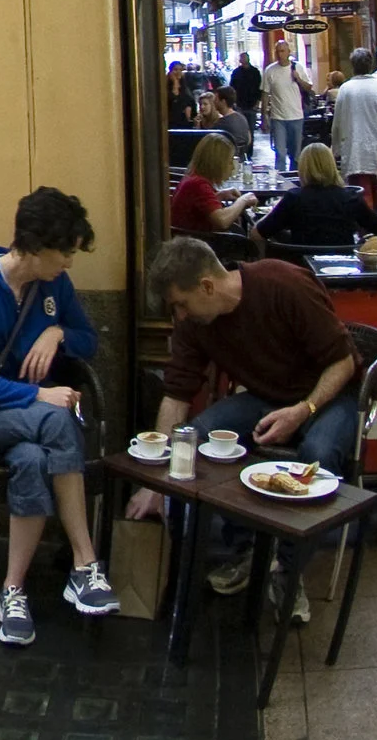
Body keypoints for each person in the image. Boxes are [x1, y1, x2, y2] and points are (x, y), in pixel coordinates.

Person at [129, 237, 361, 623]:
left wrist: (303, 411)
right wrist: (156, 480)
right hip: (267, 397)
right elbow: (177, 393)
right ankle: (247, 549)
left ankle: (288, 570)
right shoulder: (195, 324)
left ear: (206, 286)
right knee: (200, 435)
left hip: (326, 396)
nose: (180, 316)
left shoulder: (284, 285)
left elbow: (343, 363)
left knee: (318, 454)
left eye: (181, 304)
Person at [0, 187, 118, 646]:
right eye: (65, 251)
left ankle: (12, 590)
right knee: (59, 420)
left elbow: (90, 339)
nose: (70, 262)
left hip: (18, 427)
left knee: (31, 460)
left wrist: (57, 332)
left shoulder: (53, 284)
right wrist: (38, 395)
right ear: (36, 246)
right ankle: (85, 562)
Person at [258, 143, 377, 249]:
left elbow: (257, 234)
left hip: (302, 266)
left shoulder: (294, 198)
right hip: (344, 267)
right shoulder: (350, 198)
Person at [329, 47, 377, 209]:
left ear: (353, 65)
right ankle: (374, 228)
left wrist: (335, 149)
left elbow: (338, 123)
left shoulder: (346, 89)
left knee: (362, 198)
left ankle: (367, 230)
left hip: (355, 151)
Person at [170, 133, 254, 233]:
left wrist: (219, 195)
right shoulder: (198, 185)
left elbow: (201, 208)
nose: (232, 167)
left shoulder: (193, 179)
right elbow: (222, 221)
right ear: (217, 163)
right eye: (230, 162)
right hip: (195, 243)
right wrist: (243, 200)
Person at [259, 39, 311, 173]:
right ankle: (280, 179)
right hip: (278, 118)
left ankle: (294, 179)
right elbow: (265, 94)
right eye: (277, 51)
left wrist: (298, 78)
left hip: (296, 116)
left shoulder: (297, 67)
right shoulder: (270, 70)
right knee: (280, 153)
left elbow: (309, 87)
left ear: (288, 52)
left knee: (296, 154)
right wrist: (264, 117)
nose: (279, 54)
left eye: (282, 51)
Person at [205, 86, 253, 162]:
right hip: (241, 159)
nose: (214, 102)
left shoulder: (221, 123)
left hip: (225, 162)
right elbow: (249, 139)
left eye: (216, 99)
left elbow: (206, 142)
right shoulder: (242, 118)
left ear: (223, 102)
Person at [228, 50, 261, 126]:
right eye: (242, 58)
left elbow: (258, 87)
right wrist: (234, 102)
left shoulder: (255, 72)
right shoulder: (236, 72)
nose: (243, 59)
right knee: (241, 126)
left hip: (252, 103)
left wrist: (257, 102)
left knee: (251, 125)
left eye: (244, 57)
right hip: (240, 103)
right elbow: (232, 87)